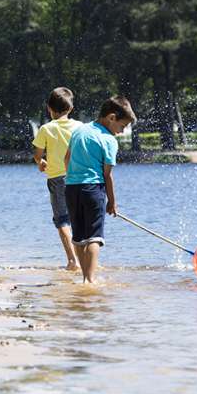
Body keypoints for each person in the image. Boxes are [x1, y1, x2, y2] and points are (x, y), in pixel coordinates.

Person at [64, 96, 136, 283]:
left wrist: (73, 176)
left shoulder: (80, 130)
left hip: (71, 189)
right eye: (122, 126)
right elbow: (107, 175)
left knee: (79, 237)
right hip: (93, 190)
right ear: (111, 117)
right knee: (94, 237)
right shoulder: (109, 140)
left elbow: (67, 158)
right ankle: (90, 279)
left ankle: (84, 277)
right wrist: (112, 202)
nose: (121, 132)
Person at [32, 87, 82, 271]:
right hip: (79, 178)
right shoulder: (80, 127)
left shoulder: (46, 129)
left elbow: (37, 154)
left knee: (62, 220)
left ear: (49, 108)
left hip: (56, 178)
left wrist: (41, 162)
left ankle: (72, 261)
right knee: (79, 219)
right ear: (70, 108)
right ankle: (87, 260)